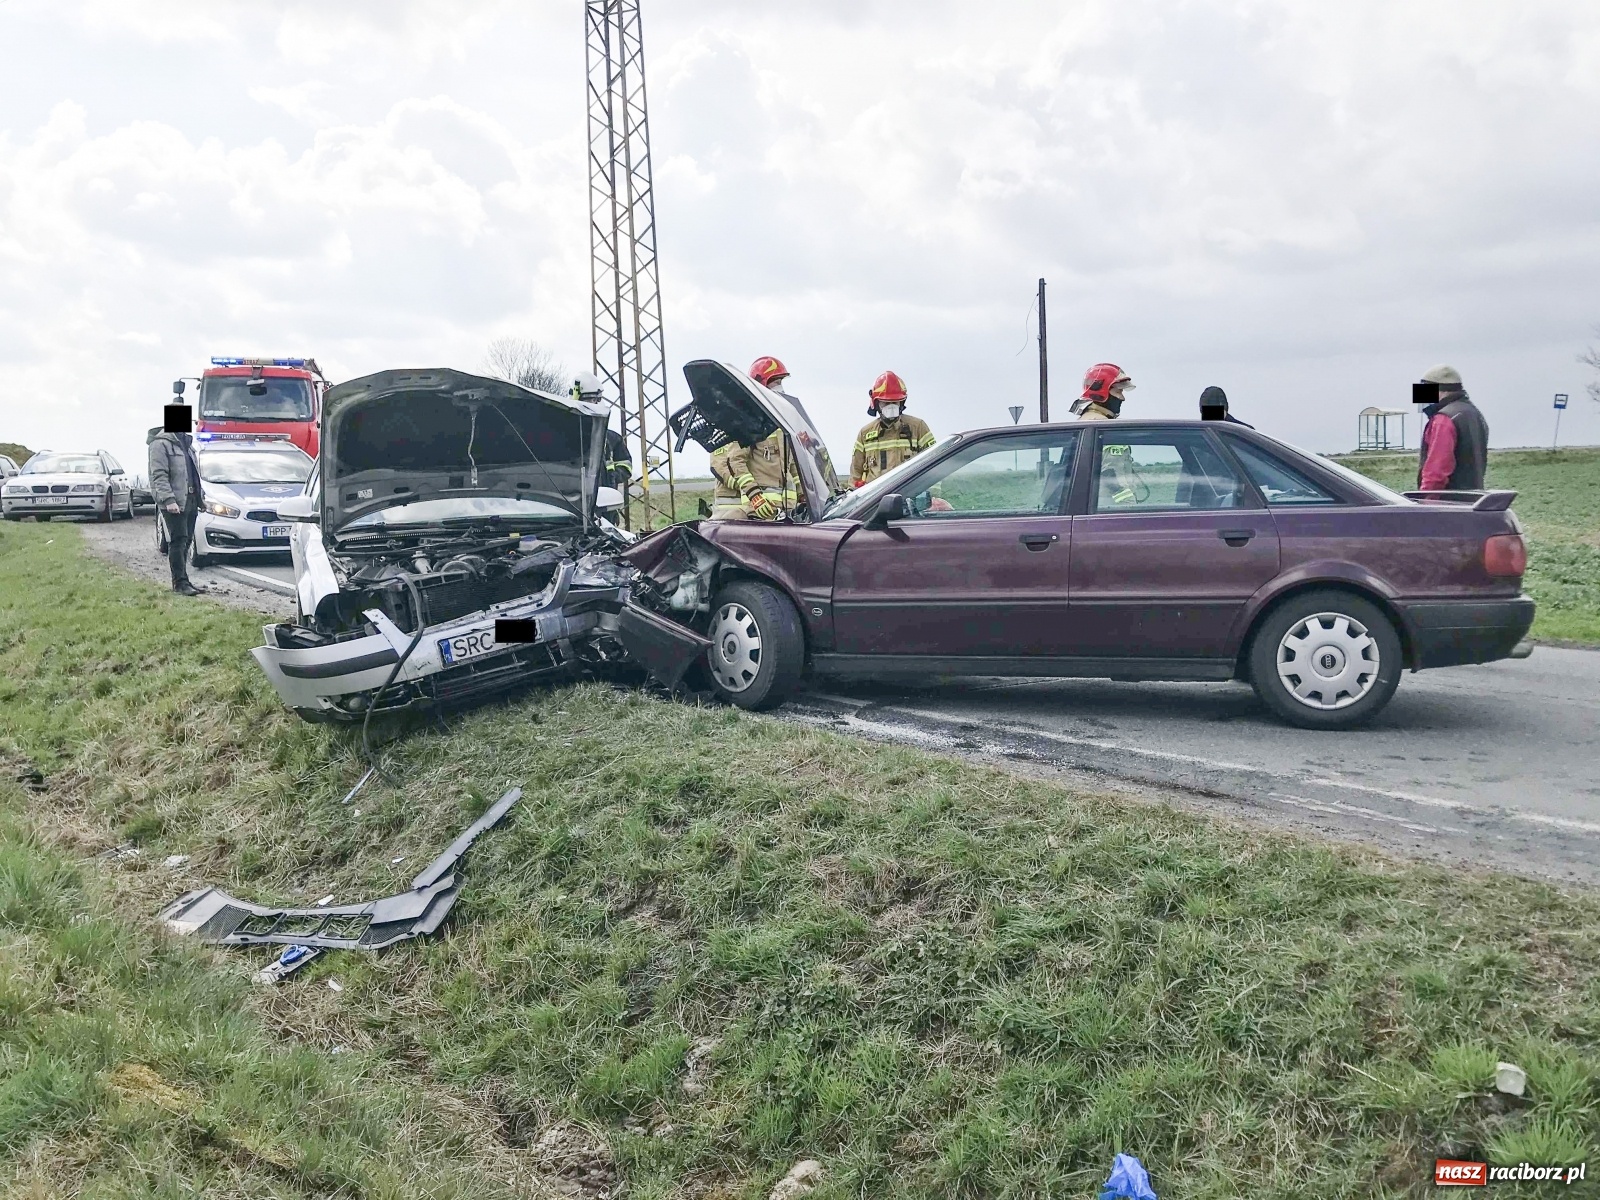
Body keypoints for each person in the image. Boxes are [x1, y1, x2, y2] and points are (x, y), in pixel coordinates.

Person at [147, 421, 205, 596]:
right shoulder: (159, 444)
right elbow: (159, 475)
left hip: (191, 499)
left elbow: (193, 474)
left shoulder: (187, 443)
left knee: (186, 541)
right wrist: (169, 499)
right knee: (178, 540)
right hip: (174, 501)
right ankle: (179, 583)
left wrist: (200, 499)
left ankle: (185, 580)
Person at [850, 371, 936, 488]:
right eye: (886, 403)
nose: (891, 407)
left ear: (901, 402)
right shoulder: (865, 434)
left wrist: (933, 496)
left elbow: (934, 463)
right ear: (876, 404)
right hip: (875, 501)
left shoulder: (918, 427)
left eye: (895, 402)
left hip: (910, 497)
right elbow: (855, 474)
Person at [1416, 364, 1488, 491]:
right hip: (1473, 499)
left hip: (1447, 502)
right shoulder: (1474, 413)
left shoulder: (1443, 419)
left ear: (1441, 390)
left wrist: (1426, 501)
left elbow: (1436, 472)